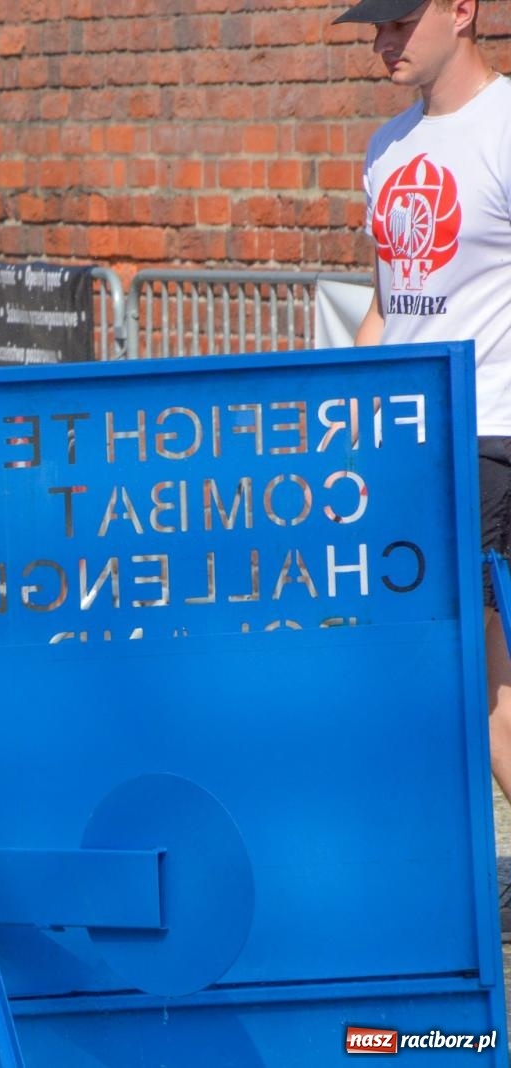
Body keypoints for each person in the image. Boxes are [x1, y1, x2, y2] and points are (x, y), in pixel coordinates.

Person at [342, 0, 511, 798]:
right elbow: (390, 301)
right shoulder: (386, 148)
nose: (384, 40)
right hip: (404, 440)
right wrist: (344, 409)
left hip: (486, 432)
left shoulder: (506, 126)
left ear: (464, 11)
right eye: (374, 26)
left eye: (401, 22)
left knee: (459, 669)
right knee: (478, 677)